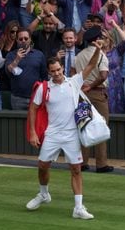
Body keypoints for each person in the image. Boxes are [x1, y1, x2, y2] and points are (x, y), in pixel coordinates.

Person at [25, 39, 104, 220]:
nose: (57, 74)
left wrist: (98, 50)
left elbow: (92, 64)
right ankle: (44, 194)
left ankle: (78, 207)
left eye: (59, 70)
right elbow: (33, 108)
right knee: (42, 166)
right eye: (53, 71)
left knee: (76, 169)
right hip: (52, 133)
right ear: (49, 72)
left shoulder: (74, 82)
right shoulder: (44, 88)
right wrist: (32, 132)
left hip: (71, 135)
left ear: (63, 68)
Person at [72, 27, 112, 173]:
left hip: (81, 94)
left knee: (84, 127)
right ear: (97, 40)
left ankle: (82, 162)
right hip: (97, 93)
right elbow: (103, 76)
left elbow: (72, 73)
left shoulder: (78, 56)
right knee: (101, 127)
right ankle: (101, 164)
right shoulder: (101, 55)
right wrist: (91, 86)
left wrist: (83, 87)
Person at [4, 27, 47, 110]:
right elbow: (8, 72)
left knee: (35, 122)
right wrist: (17, 59)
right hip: (17, 98)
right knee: (17, 123)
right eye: (20, 39)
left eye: (26, 38)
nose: (23, 40)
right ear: (16, 40)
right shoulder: (11, 55)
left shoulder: (39, 55)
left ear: (30, 39)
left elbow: (44, 76)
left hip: (36, 97)